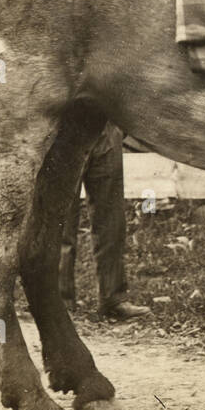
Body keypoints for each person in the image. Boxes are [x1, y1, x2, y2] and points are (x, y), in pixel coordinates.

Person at [58, 123, 150, 320]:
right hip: (66, 129)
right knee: (61, 223)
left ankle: (113, 298)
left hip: (106, 128)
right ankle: (59, 302)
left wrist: (118, 127)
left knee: (111, 220)